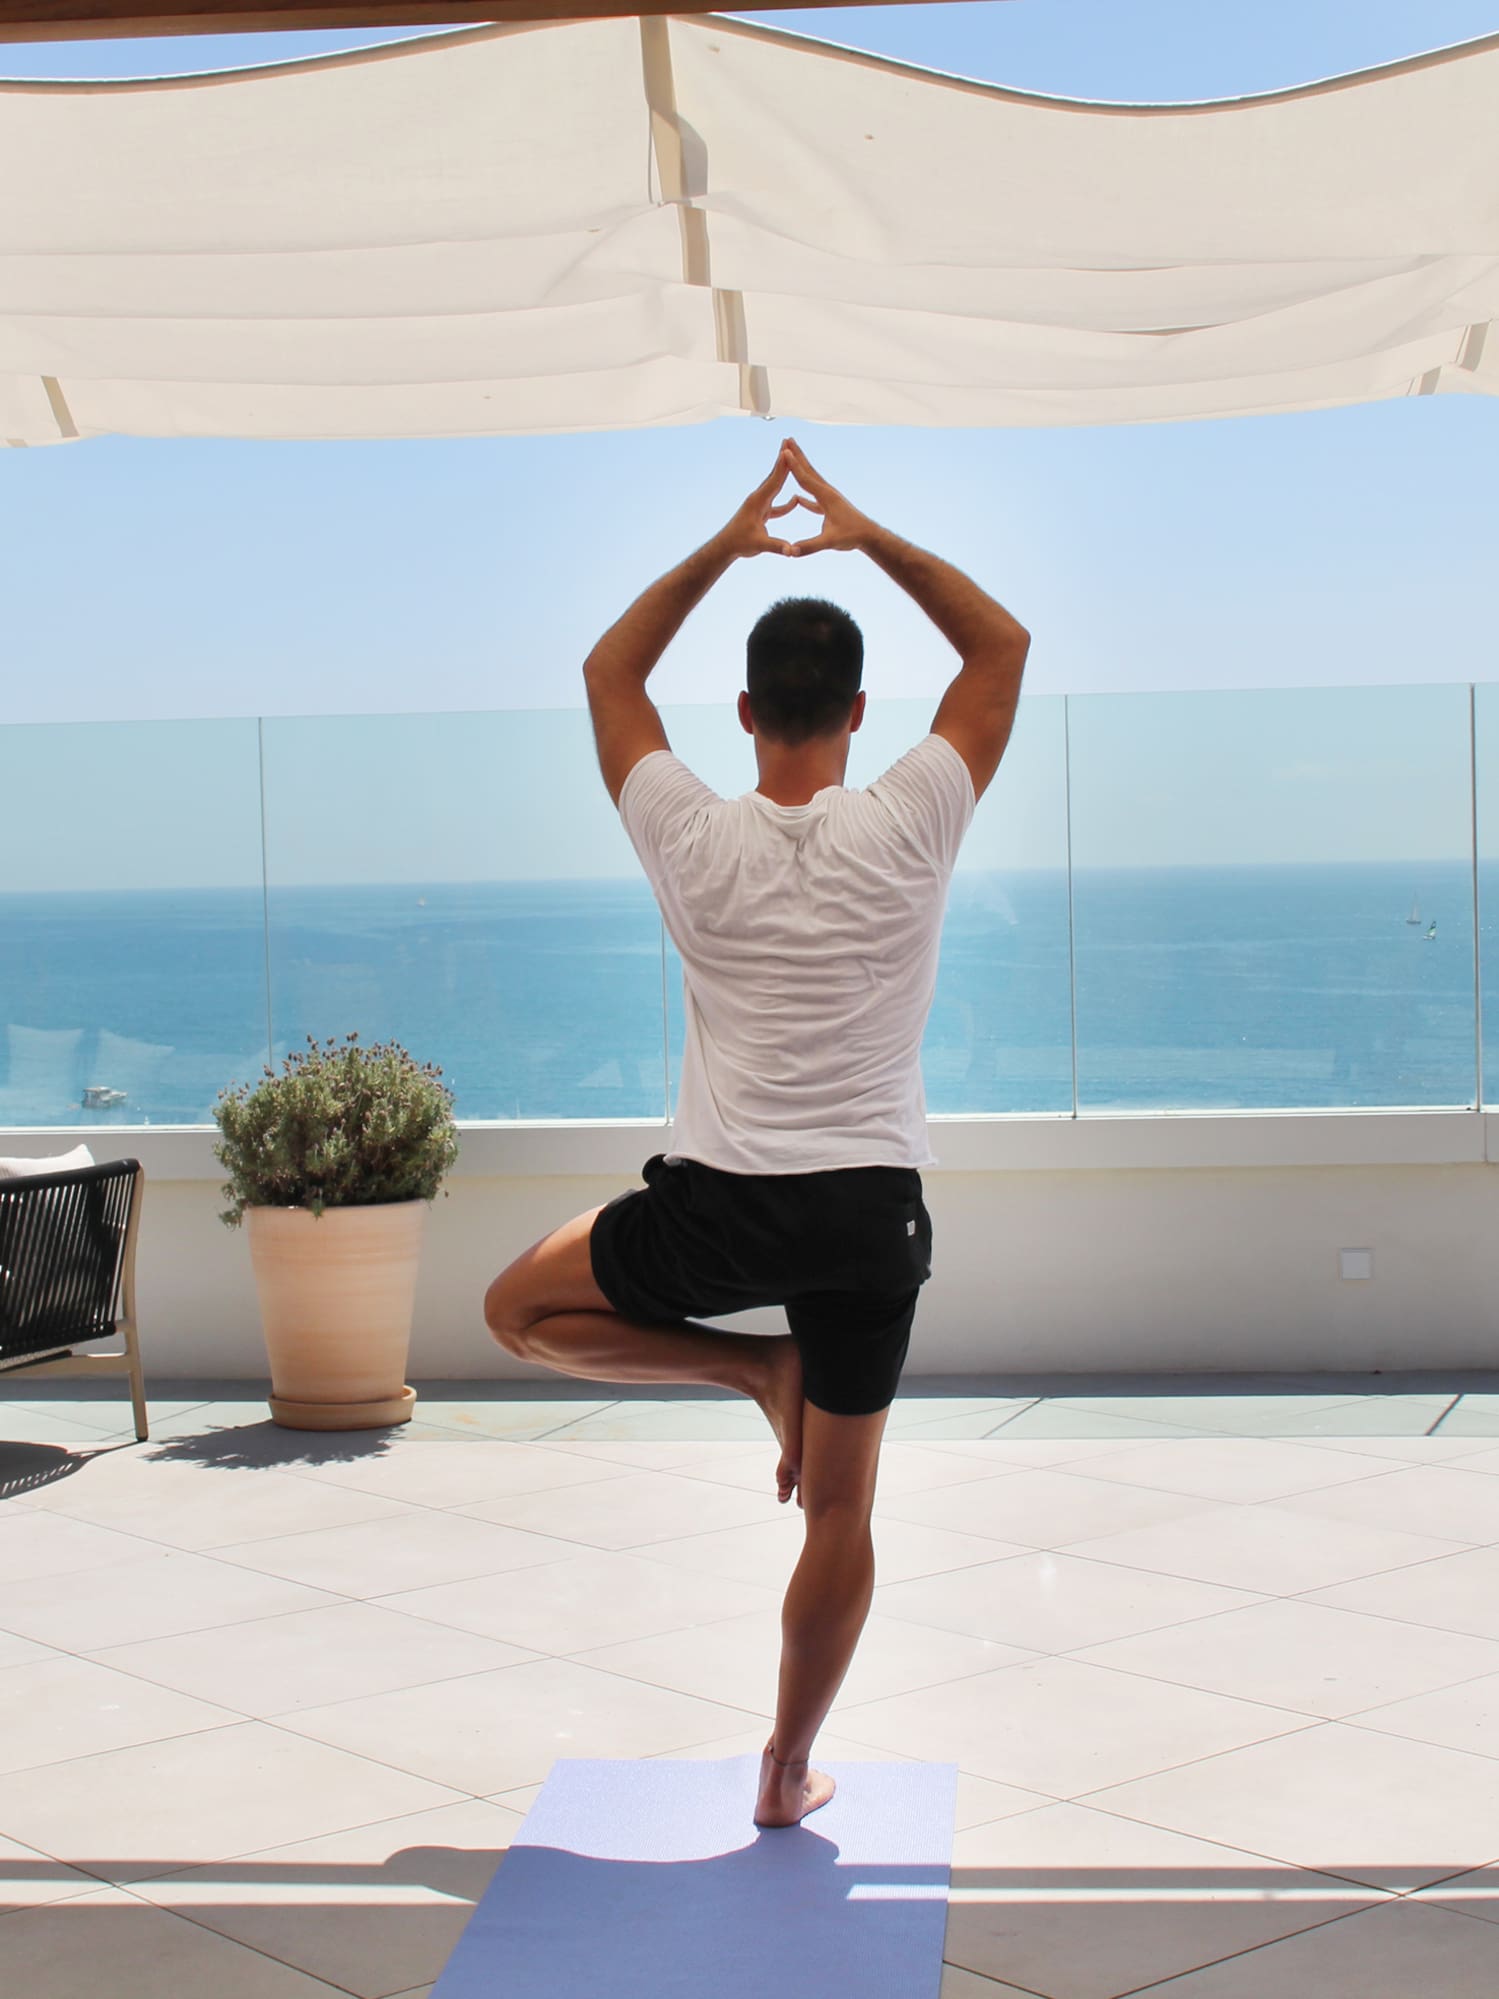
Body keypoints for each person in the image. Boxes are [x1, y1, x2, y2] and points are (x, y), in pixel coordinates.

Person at [484, 437, 1029, 1828]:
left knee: (516, 1310)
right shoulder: (912, 819)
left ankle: (748, 1373)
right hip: (867, 1216)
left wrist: (733, 543)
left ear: (741, 711)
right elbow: (1002, 645)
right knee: (841, 1513)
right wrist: (857, 534)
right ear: (859, 710)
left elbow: (610, 675)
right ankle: (786, 1774)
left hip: (717, 1209)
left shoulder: (689, 833)